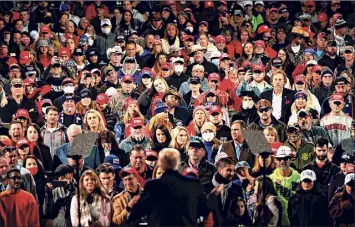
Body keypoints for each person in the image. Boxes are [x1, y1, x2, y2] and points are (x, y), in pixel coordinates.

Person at [127, 148, 218, 226]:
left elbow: (135, 214)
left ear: (161, 163)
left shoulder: (153, 186)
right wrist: (212, 196)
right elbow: (203, 210)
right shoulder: (193, 184)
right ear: (177, 163)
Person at [269, 146, 301, 226]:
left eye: (285, 158)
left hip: (296, 221)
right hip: (277, 222)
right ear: (276, 160)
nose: (282, 161)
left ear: (291, 159)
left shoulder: (300, 178)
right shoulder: (270, 179)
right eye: (279, 159)